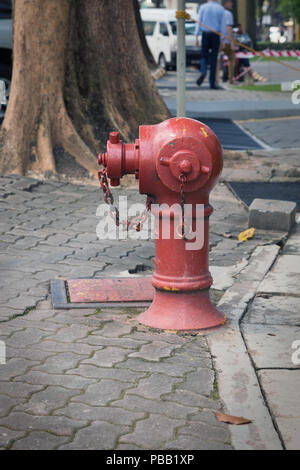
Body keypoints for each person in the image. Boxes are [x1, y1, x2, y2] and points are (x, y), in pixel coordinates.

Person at [195, 0, 225, 90]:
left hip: (206, 33)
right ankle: (212, 83)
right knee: (214, 59)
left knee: (203, 55)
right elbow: (223, 26)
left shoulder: (203, 7)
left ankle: (203, 70)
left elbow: (199, 21)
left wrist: (196, 36)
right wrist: (222, 40)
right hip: (215, 35)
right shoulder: (220, 9)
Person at [221, 0, 236, 85]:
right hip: (226, 41)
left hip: (218, 40)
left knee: (217, 59)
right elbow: (229, 28)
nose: (232, 4)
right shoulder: (228, 14)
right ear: (225, 3)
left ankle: (216, 80)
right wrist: (232, 43)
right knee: (232, 58)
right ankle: (231, 79)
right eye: (230, 2)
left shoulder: (218, 13)